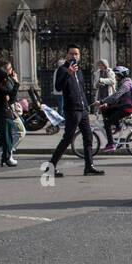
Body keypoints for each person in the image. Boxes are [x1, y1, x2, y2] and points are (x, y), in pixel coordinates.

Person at [48, 45, 103, 178]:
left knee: (88, 137)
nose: (74, 56)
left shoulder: (79, 71)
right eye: (71, 54)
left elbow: (82, 89)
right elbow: (58, 87)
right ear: (67, 55)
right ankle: (51, 167)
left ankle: (89, 166)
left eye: (76, 54)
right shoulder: (62, 70)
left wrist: (86, 106)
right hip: (72, 109)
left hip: (83, 109)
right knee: (67, 139)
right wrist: (68, 74)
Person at [97, 66, 132, 149]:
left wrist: (102, 101)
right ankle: (118, 124)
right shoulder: (124, 83)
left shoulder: (125, 85)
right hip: (123, 106)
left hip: (126, 109)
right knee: (105, 110)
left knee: (107, 123)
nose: (115, 77)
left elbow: (116, 96)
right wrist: (107, 104)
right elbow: (119, 99)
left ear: (121, 75)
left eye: (116, 75)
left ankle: (111, 144)